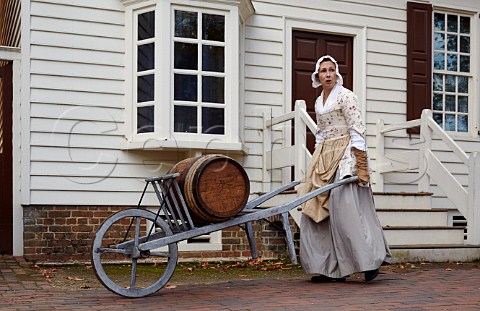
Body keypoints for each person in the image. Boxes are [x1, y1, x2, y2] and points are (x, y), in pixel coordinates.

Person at [298, 55, 392, 282]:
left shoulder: (346, 96)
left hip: (345, 155)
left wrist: (360, 165)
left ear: (336, 73)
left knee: (346, 211)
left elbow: (357, 129)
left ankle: (368, 261)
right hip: (324, 155)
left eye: (331, 70)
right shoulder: (319, 101)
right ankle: (330, 269)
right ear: (317, 76)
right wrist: (315, 160)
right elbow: (320, 133)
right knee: (319, 211)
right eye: (323, 71)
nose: (327, 74)